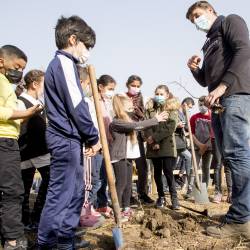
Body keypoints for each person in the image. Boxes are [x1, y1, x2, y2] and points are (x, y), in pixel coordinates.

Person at [186, 1, 250, 239]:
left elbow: (245, 51)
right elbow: (206, 80)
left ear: (210, 10)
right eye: (193, 20)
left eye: (197, 15)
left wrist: (224, 86)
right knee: (228, 157)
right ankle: (241, 212)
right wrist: (195, 70)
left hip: (234, 95)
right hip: (219, 102)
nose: (196, 21)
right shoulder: (208, 43)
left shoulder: (229, 21)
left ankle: (240, 220)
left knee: (237, 153)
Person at [37, 16, 100, 249]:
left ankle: (65, 241)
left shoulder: (66, 65)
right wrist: (93, 136)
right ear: (73, 39)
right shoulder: (63, 63)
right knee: (60, 196)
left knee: (74, 194)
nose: (87, 52)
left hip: (71, 139)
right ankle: (46, 243)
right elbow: (77, 105)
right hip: (64, 139)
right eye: (86, 45)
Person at [0, 45, 42, 249]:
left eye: (22, 68)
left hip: (8, 139)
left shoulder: (6, 85)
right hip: (4, 141)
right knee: (13, 191)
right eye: (16, 66)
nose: (19, 72)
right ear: (2, 62)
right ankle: (13, 239)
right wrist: (24, 114)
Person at [109, 94, 168, 220]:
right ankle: (117, 210)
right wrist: (155, 119)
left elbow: (140, 123)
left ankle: (126, 208)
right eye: (129, 106)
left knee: (128, 184)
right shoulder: (117, 122)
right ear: (121, 107)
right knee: (121, 184)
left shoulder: (129, 119)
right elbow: (136, 126)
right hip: (119, 157)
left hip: (128, 157)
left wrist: (144, 117)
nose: (132, 107)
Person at [18, 70, 50, 230]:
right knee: (25, 187)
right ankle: (27, 220)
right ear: (35, 84)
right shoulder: (21, 102)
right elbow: (21, 127)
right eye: (44, 84)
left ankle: (36, 216)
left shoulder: (39, 103)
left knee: (46, 183)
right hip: (30, 151)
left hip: (40, 150)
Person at [145, 85, 180, 210]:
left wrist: (155, 138)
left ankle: (174, 197)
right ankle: (161, 197)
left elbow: (170, 127)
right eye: (157, 93)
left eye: (161, 94)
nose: (158, 96)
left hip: (167, 146)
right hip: (152, 146)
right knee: (157, 173)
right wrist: (151, 139)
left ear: (167, 95)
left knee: (168, 172)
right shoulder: (149, 109)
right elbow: (147, 125)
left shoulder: (172, 109)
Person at [124, 75, 154, 204]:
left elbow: (145, 118)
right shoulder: (122, 98)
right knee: (128, 167)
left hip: (139, 136)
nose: (135, 88)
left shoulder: (144, 100)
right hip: (127, 135)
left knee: (142, 167)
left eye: (138, 86)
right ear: (128, 85)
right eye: (133, 85)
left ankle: (143, 193)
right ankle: (128, 196)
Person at [95, 74, 117, 218]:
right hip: (97, 144)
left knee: (104, 176)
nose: (112, 92)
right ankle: (94, 205)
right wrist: (99, 142)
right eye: (110, 89)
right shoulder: (93, 101)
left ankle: (102, 204)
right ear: (100, 87)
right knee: (97, 178)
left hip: (108, 143)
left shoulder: (106, 102)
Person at [190, 96, 212, 188]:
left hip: (209, 146)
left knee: (206, 168)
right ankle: (192, 187)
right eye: (200, 105)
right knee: (194, 167)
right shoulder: (194, 117)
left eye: (204, 104)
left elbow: (214, 133)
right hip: (196, 146)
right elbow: (192, 133)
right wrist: (199, 145)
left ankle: (204, 187)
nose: (202, 106)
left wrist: (205, 146)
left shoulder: (213, 116)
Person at [175, 97, 194, 196]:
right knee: (170, 164)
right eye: (189, 107)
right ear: (184, 104)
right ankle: (167, 187)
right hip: (174, 142)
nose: (189, 109)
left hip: (181, 143)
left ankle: (189, 186)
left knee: (188, 157)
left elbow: (187, 127)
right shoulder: (175, 112)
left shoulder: (185, 115)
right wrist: (177, 125)